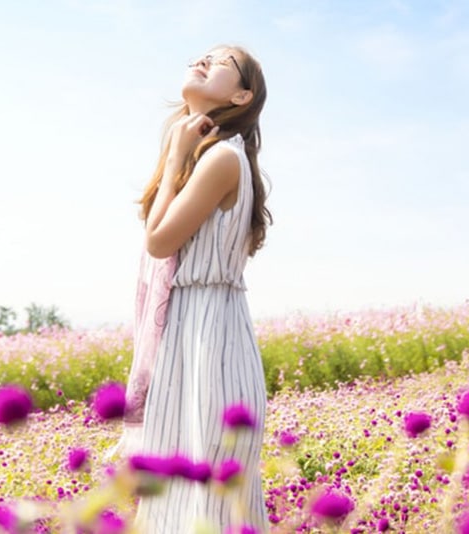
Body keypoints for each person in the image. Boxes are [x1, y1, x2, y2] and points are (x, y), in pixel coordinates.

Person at [114, 45, 271, 533]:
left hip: (209, 340)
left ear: (243, 95)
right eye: (201, 55)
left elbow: (159, 241)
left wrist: (178, 153)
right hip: (189, 334)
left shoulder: (222, 159)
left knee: (211, 500)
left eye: (221, 61)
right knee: (180, 499)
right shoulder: (210, 157)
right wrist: (178, 157)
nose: (203, 60)